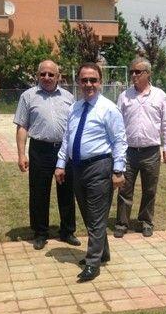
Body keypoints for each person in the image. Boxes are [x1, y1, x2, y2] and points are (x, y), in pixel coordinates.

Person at [54, 62, 127, 282]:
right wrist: (60, 164)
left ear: (100, 82)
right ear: (78, 82)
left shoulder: (108, 108)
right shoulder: (74, 108)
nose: (88, 84)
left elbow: (119, 140)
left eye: (93, 80)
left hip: (100, 167)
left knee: (96, 216)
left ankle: (93, 263)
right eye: (84, 80)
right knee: (88, 214)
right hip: (77, 168)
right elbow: (67, 138)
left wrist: (118, 170)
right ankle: (103, 252)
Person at [14, 60, 80, 250]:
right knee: (39, 193)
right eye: (43, 74)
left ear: (58, 76)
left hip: (63, 150)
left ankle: (67, 231)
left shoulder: (68, 97)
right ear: (38, 76)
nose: (47, 77)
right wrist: (21, 154)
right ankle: (40, 233)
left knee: (67, 191)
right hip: (39, 150)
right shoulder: (28, 96)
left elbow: (74, 126)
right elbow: (22, 126)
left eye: (51, 74)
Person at [115, 57, 166, 238]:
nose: (133, 75)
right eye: (132, 72)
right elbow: (116, 124)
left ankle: (146, 222)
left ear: (147, 74)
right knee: (124, 189)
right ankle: (122, 223)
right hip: (128, 152)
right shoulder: (124, 96)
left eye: (137, 72)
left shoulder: (160, 96)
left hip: (151, 152)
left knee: (149, 190)